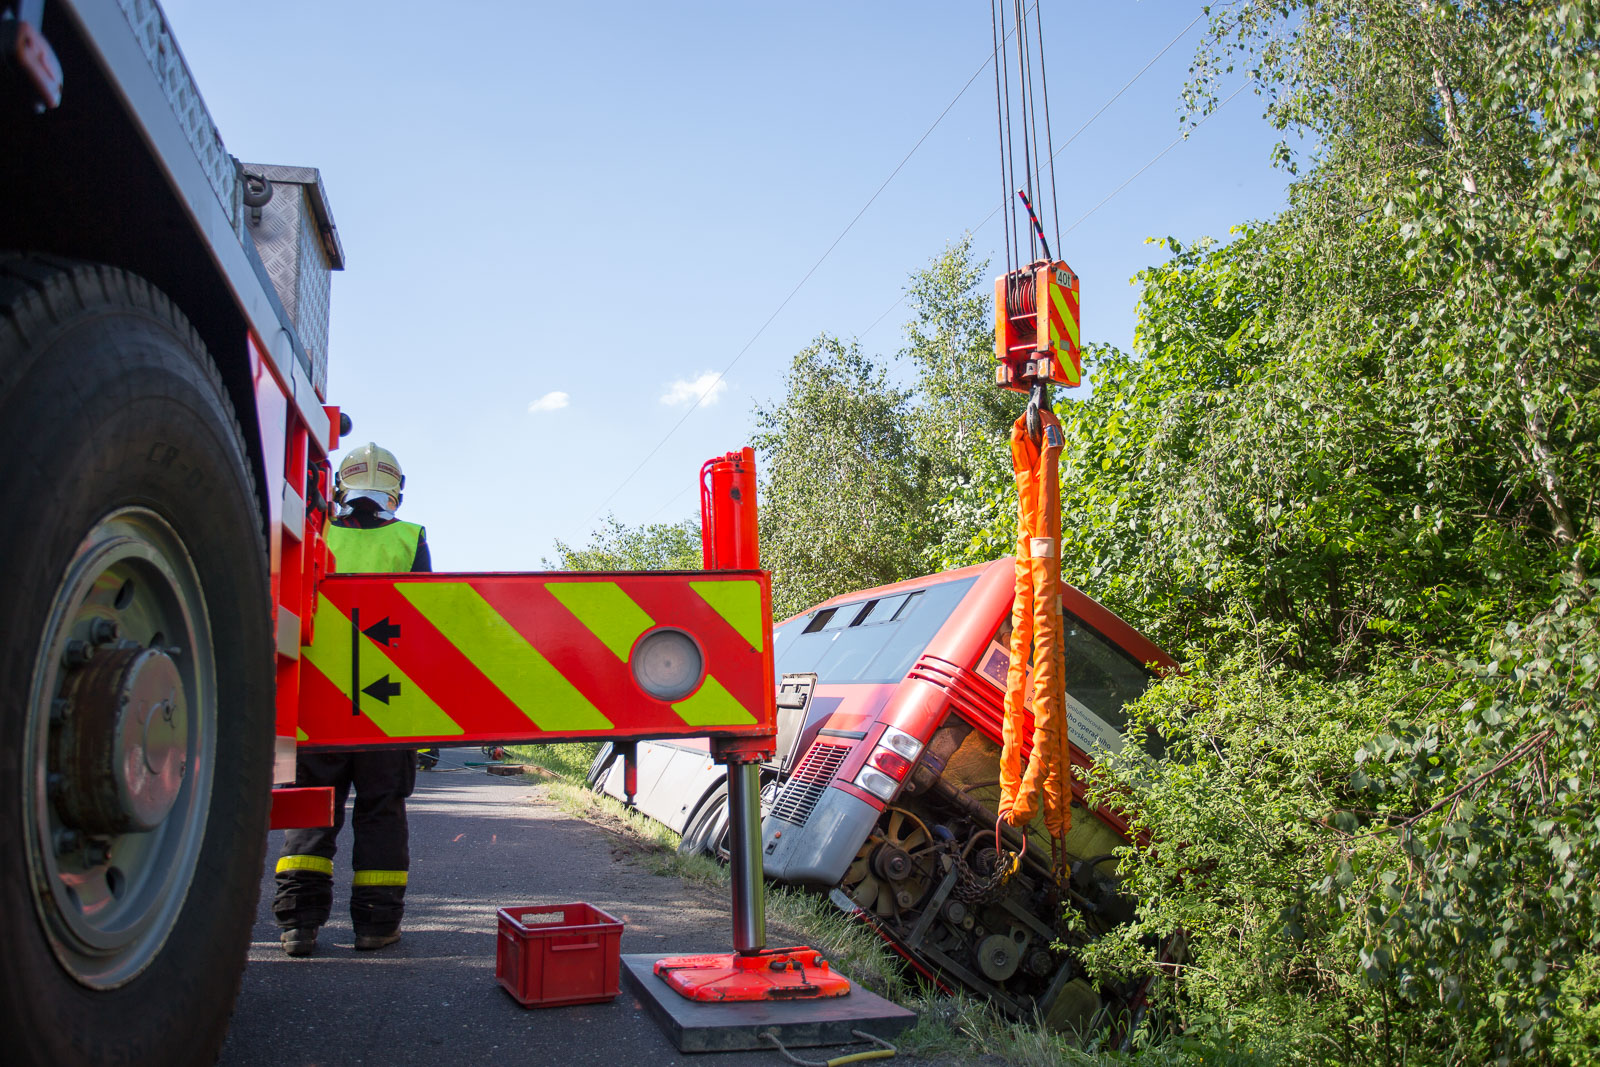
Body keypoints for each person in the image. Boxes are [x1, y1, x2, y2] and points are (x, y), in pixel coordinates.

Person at [274, 442, 431, 956]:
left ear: (341, 487)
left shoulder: (312, 532)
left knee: (311, 810)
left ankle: (299, 924)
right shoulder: (410, 538)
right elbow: (425, 627)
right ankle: (376, 926)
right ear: (397, 491)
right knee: (382, 811)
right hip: (387, 706)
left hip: (315, 702)